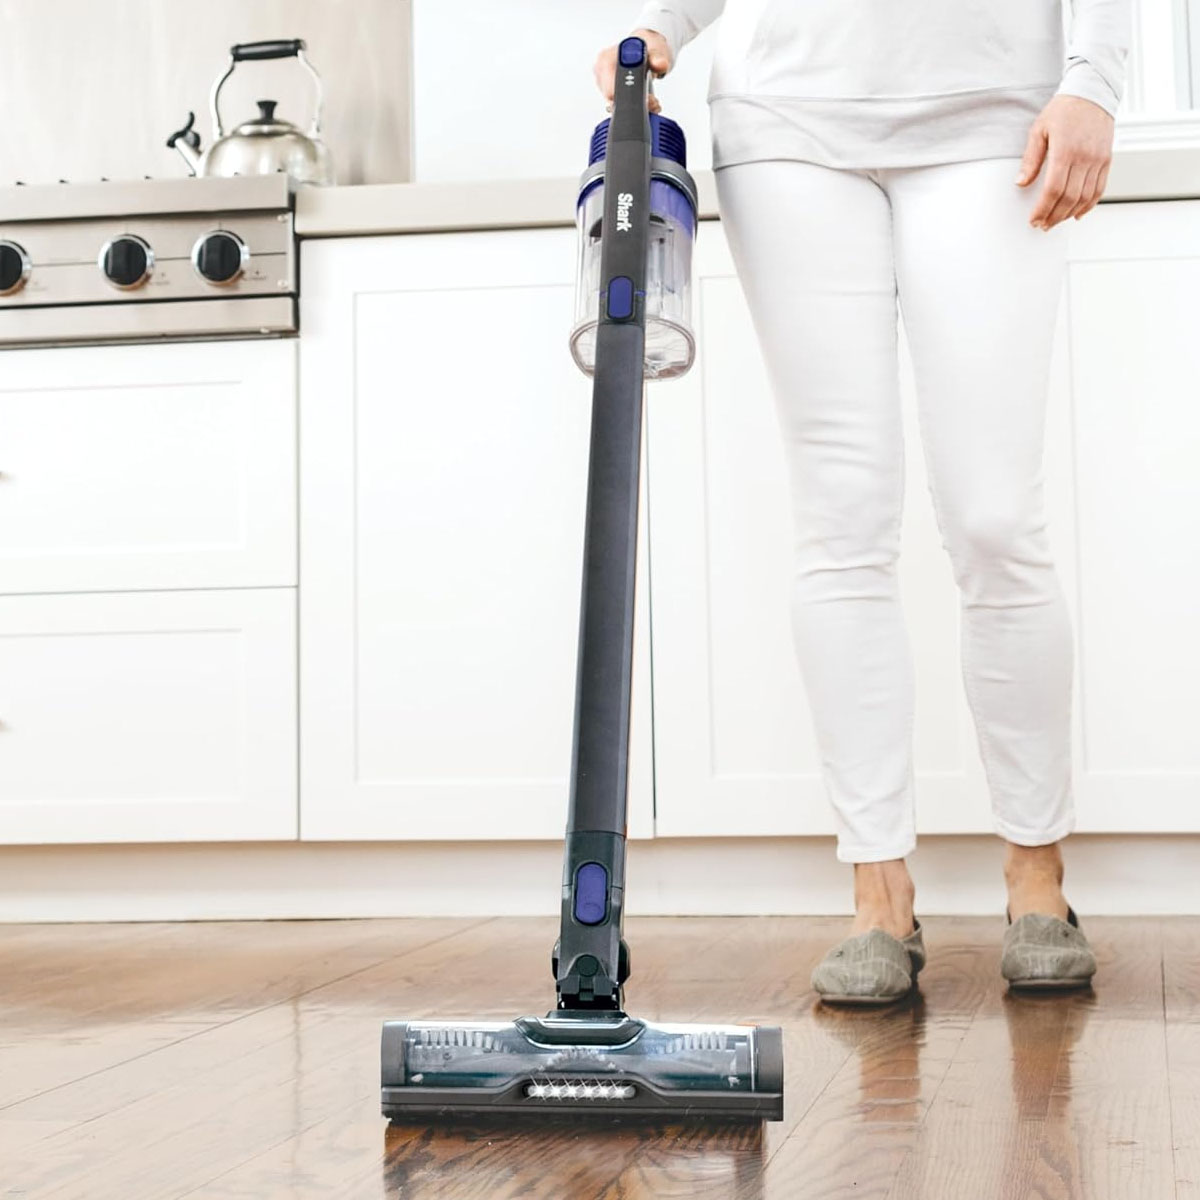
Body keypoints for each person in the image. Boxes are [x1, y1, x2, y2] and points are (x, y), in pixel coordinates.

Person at [595, 0, 1131, 1004]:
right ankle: (878, 890)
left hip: (994, 114)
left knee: (994, 516)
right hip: (786, 123)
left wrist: (1094, 77)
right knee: (842, 516)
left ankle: (1037, 877)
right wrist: (659, 20)